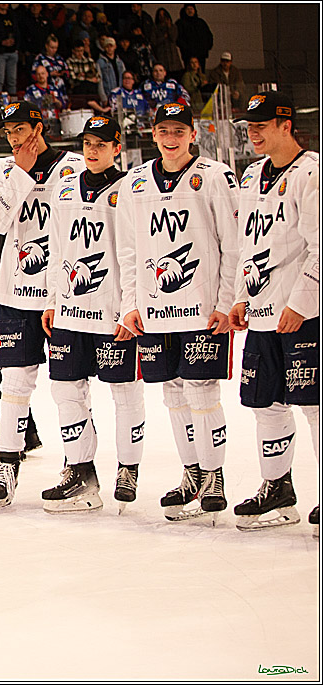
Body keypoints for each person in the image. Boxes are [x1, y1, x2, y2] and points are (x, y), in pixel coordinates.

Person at [118, 101, 240, 523]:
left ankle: (215, 475)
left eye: (179, 132)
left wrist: (226, 303)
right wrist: (129, 305)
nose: (171, 139)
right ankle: (192, 474)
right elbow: (129, 251)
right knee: (172, 392)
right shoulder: (135, 182)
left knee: (202, 391)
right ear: (153, 135)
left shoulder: (215, 176)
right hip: (154, 310)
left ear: (193, 134)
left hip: (202, 309)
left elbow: (232, 244)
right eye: (164, 132)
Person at [0, 101, 85, 509]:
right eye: (8, 133)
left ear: (39, 128)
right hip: (13, 294)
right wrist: (20, 174)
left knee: (67, 387)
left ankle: (78, 468)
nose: (13, 139)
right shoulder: (1, 171)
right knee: (15, 384)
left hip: (65, 297)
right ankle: (7, 463)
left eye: (20, 129)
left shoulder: (73, 167)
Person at [39, 116, 145, 513]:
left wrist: (129, 308)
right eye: (87, 142)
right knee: (66, 391)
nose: (93, 150)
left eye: (101, 144)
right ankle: (80, 470)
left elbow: (134, 255)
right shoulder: (64, 187)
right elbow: (55, 248)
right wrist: (51, 299)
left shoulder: (130, 189)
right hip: (69, 310)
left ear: (117, 147)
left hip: (112, 311)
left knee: (124, 392)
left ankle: (127, 468)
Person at [228, 92, 319, 534]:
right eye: (250, 125)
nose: (254, 132)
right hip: (261, 312)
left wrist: (302, 303)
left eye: (262, 124)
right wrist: (240, 296)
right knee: (266, 403)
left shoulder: (311, 172)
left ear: (286, 124)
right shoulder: (251, 176)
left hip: (302, 314)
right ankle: (277, 487)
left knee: (315, 406)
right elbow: (246, 243)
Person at [176, 4, 213, 73]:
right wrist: (186, 48)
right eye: (188, 9)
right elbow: (178, 39)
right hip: (188, 54)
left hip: (201, 54)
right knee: (189, 73)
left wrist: (207, 47)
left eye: (191, 9)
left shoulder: (201, 22)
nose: (190, 11)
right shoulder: (180, 23)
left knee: (201, 72)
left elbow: (209, 35)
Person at [151, 8, 183, 79]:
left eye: (164, 15)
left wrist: (169, 27)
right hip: (161, 54)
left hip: (172, 56)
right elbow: (153, 42)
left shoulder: (173, 27)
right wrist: (163, 37)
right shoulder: (155, 28)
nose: (162, 17)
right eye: (160, 15)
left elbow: (173, 38)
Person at [97, 37, 126, 102]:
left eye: (111, 46)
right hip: (108, 94)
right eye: (107, 46)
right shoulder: (100, 62)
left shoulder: (120, 62)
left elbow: (124, 78)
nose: (109, 48)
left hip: (120, 94)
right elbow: (99, 81)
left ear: (115, 46)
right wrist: (103, 97)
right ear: (104, 48)